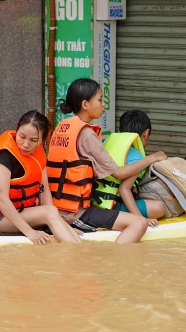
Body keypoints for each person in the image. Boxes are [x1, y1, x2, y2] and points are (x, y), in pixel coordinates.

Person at [47, 78, 167, 243]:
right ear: (85, 104)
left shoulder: (62, 127)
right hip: (76, 213)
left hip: (57, 209)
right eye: (100, 99)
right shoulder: (86, 134)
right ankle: (114, 264)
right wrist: (152, 158)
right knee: (138, 223)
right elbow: (118, 174)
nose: (104, 104)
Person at [0, 111, 82, 244]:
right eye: (22, 136)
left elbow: (44, 190)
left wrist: (64, 226)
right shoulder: (4, 156)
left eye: (33, 140)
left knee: (52, 212)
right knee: (49, 213)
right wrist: (30, 232)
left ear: (42, 140)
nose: (25, 144)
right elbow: (1, 199)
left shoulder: (39, 152)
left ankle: (76, 251)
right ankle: (74, 256)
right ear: (16, 130)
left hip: (20, 212)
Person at [92, 110, 166, 227]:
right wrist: (141, 219)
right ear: (146, 134)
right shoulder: (137, 157)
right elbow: (124, 189)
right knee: (160, 207)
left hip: (94, 203)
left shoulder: (106, 142)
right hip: (112, 208)